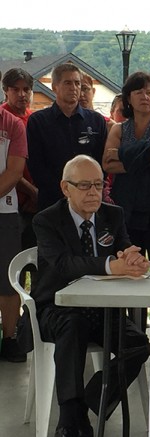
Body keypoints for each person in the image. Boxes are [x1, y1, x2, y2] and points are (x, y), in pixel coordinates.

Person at [30, 155, 150, 437]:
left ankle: (90, 399)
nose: (93, 192)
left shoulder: (113, 214)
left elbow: (123, 246)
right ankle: (71, 420)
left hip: (102, 307)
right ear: (65, 188)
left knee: (139, 343)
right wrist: (111, 265)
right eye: (84, 186)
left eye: (98, 184)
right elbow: (63, 264)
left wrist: (132, 258)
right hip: (56, 307)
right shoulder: (46, 220)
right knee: (73, 325)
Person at [102, 71, 150, 272]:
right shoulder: (119, 129)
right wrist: (146, 152)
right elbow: (107, 164)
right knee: (129, 266)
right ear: (128, 98)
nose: (145, 97)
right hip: (127, 208)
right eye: (139, 92)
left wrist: (121, 153)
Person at [27, 63, 107, 211]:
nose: (74, 88)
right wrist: (67, 192)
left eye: (77, 83)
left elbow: (102, 162)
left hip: (89, 199)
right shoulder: (38, 121)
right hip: (52, 202)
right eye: (68, 83)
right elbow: (36, 165)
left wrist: (87, 190)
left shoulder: (96, 121)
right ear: (54, 87)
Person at [0, 84, 27, 363]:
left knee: (7, 281)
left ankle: (9, 338)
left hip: (5, 212)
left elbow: (15, 170)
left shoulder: (12, 124)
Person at [1, 68, 38, 255]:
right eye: (15, 89)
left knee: (32, 257)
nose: (22, 94)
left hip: (34, 202)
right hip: (11, 200)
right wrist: (32, 192)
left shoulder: (36, 119)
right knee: (13, 259)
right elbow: (11, 169)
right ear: (6, 91)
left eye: (26, 89)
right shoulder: (5, 120)